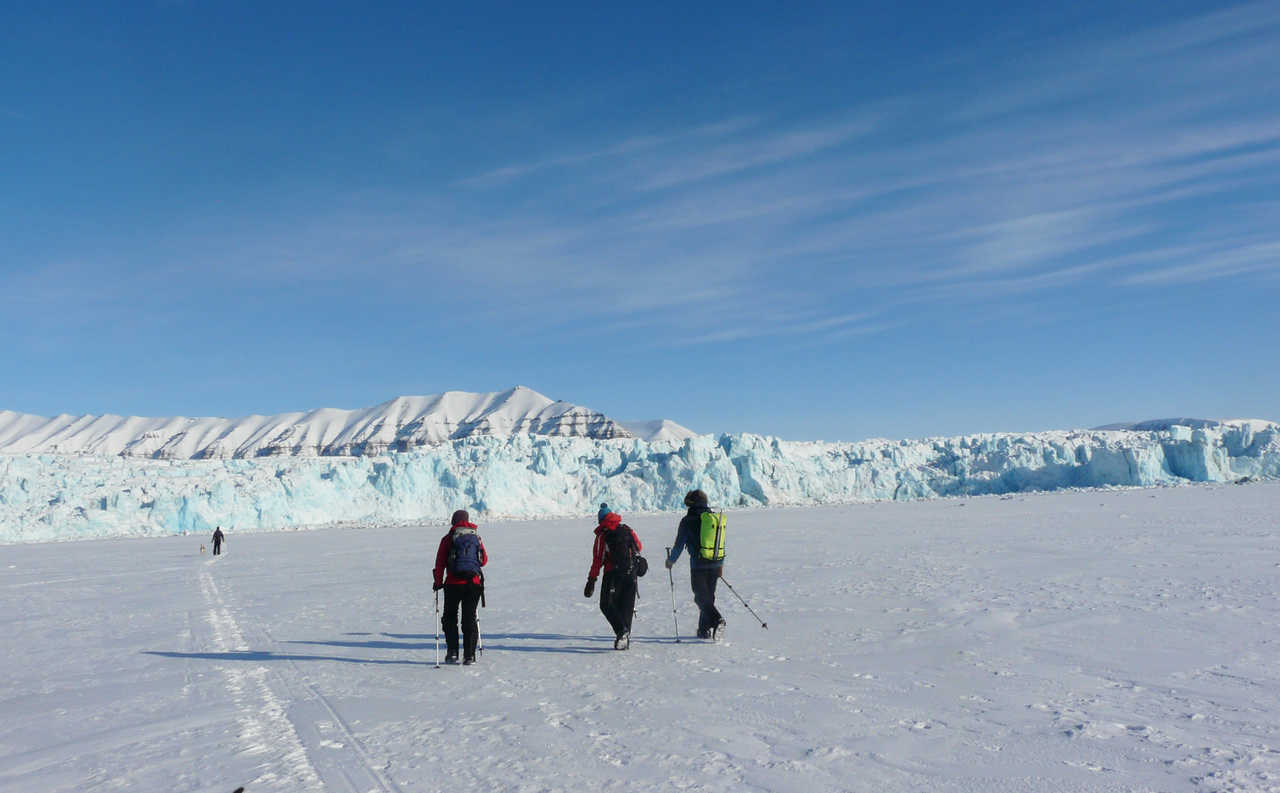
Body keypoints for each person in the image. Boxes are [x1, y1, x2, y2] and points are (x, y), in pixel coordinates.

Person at [665, 490, 725, 640]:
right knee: (708, 597)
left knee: (700, 598)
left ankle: (717, 619)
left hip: (699, 565)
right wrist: (720, 565)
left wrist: (671, 560)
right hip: (716, 563)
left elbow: (679, 545)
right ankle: (704, 630)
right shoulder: (713, 518)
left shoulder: (688, 520)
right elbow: (720, 542)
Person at [584, 504, 643, 650]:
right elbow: (639, 546)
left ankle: (621, 632)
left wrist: (591, 580)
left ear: (601, 520)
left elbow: (598, 559)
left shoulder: (603, 535)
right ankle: (624, 638)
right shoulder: (626, 529)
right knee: (626, 608)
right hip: (631, 574)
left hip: (613, 574)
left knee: (606, 604)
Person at [433, 510, 488, 664]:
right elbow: (483, 560)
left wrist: (438, 583)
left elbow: (440, 563)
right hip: (473, 584)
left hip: (453, 584)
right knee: (469, 618)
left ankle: (452, 652)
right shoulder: (476, 537)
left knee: (450, 617)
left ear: (453, 521)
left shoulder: (448, 538)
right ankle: (469, 655)